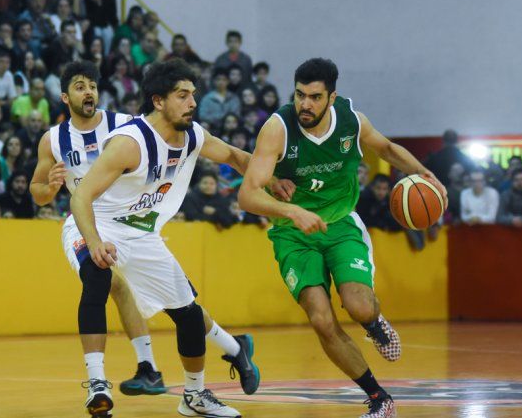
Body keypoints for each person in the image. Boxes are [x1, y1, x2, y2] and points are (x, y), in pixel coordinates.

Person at [57, 60, 274, 417]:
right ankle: (97, 384)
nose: (192, 103)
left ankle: (194, 396)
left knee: (188, 315)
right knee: (97, 277)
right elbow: (80, 197)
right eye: (183, 95)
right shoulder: (130, 144)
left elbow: (236, 157)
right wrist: (94, 242)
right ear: (158, 101)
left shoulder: (193, 136)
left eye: (193, 95)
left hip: (142, 235)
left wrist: (275, 178)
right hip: (98, 224)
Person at [238, 58, 447, 418]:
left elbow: (387, 149)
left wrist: (426, 174)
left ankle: (372, 324)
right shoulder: (278, 128)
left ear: (331, 97)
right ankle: (379, 397)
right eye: (300, 95)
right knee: (320, 319)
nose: (305, 104)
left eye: (315, 97)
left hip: (340, 224)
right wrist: (294, 212)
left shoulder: (352, 120)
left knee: (360, 305)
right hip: (293, 234)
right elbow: (247, 195)